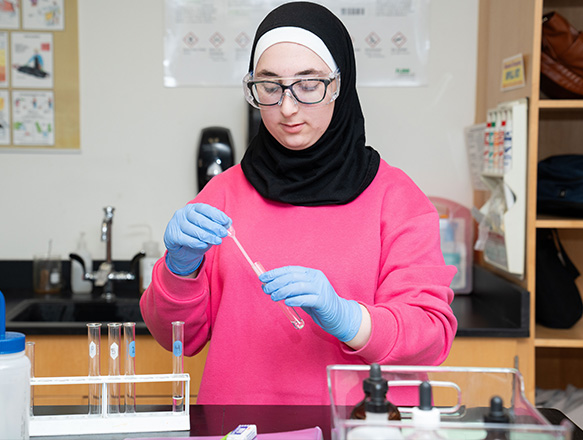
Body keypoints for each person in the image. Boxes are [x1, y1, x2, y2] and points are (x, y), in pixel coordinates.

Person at [141, 1, 457, 406]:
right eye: (270, 87)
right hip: (239, 429)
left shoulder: (394, 199)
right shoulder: (223, 195)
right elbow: (176, 338)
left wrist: (347, 318)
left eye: (308, 85)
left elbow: (430, 339)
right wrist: (178, 270)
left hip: (357, 428)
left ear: (341, 85)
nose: (287, 108)